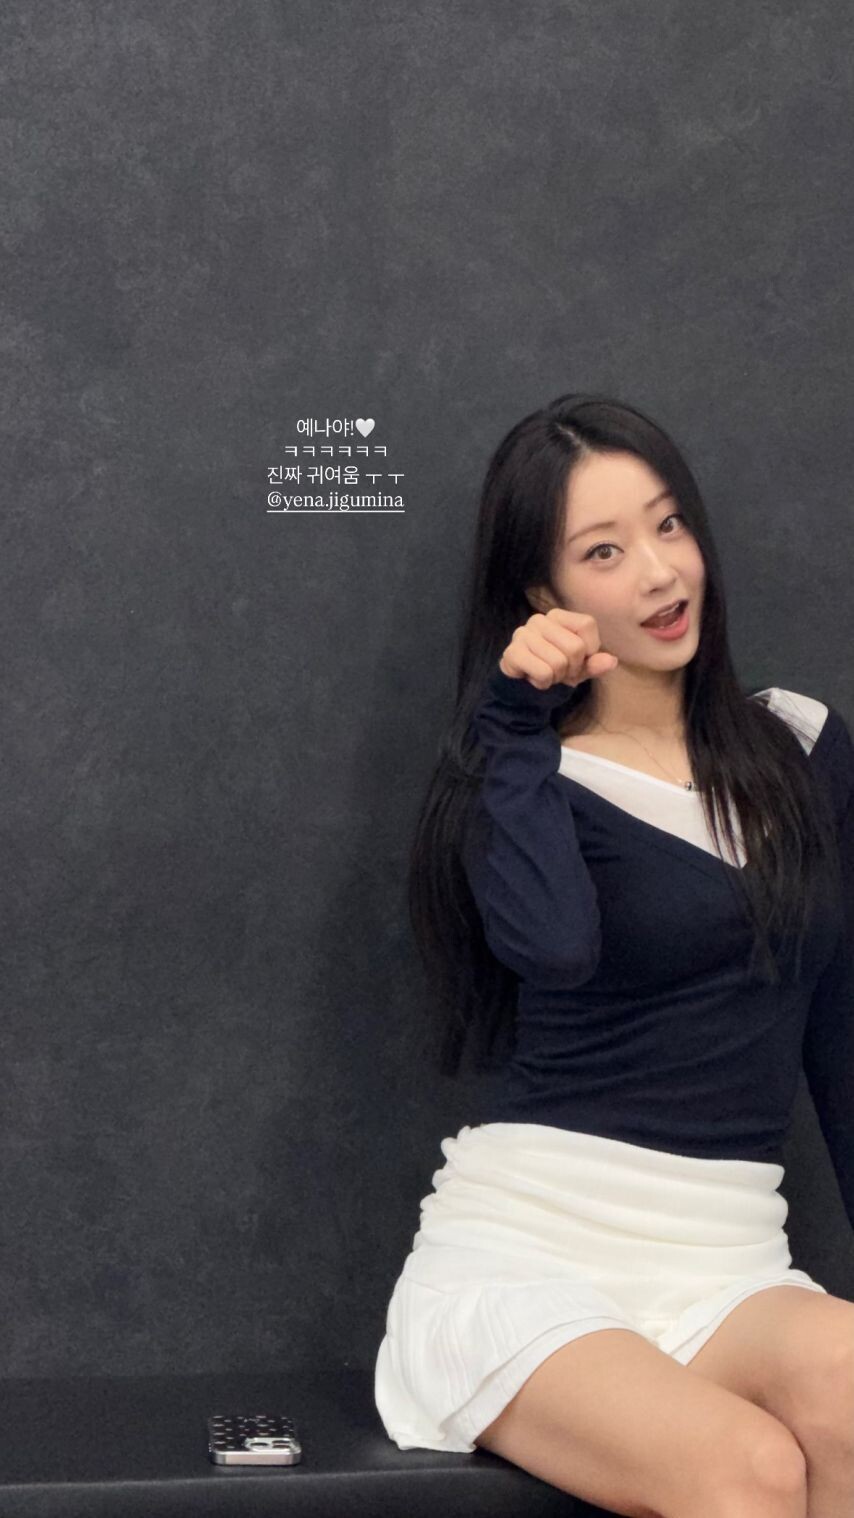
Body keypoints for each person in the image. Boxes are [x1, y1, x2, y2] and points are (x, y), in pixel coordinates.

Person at [374, 394, 854, 1516]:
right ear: (541, 598)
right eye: (603, 551)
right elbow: (552, 949)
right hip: (530, 1256)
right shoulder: (517, 780)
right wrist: (511, 727)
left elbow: (839, 1034)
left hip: (727, 1262)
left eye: (668, 524)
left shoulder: (802, 747)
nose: (657, 572)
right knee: (750, 1469)